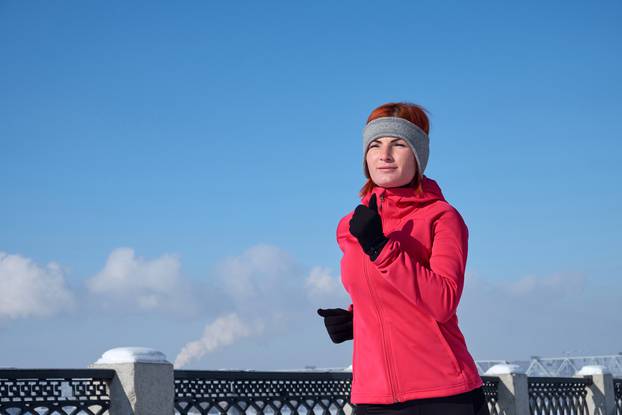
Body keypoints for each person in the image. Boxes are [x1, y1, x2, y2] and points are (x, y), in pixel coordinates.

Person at [317, 102, 490, 415]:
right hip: (372, 398)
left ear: (418, 156)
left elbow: (443, 301)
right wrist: (356, 318)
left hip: (442, 396)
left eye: (398, 144)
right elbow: (389, 294)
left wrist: (381, 248)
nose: (384, 155)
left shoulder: (442, 217)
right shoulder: (351, 226)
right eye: (375, 145)